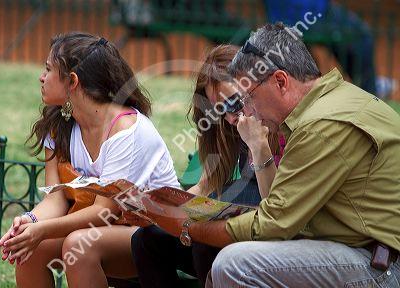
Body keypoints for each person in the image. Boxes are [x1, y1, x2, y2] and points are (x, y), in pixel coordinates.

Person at [126, 23, 400, 287]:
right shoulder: (327, 106)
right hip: (357, 249)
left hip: (378, 266)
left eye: (247, 98)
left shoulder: (321, 125)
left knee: (233, 263)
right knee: (157, 241)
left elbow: (273, 224)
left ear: (280, 81)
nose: (245, 111)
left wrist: (187, 226)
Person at [0, 32, 179, 288]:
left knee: (78, 246)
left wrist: (42, 231)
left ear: (72, 81)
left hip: (151, 235)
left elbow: (105, 212)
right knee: (31, 249)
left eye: (48, 69)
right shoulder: (59, 124)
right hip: (98, 230)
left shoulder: (126, 130)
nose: (41, 77)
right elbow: (55, 198)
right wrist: (31, 223)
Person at [129, 44, 284, 287]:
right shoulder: (230, 127)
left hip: (266, 232)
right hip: (232, 227)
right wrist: (157, 209)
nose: (230, 118)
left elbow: (278, 207)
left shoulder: (281, 125)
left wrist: (259, 145)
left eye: (233, 103)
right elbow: (205, 186)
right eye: (218, 109)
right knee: (146, 240)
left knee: (205, 238)